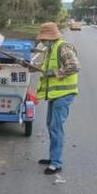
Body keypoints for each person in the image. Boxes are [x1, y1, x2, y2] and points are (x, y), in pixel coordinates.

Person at [34, 22, 80, 175]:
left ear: (49, 37)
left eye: (43, 38)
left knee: (56, 127)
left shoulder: (63, 47)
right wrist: (32, 67)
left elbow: (74, 66)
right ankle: (53, 157)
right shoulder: (51, 48)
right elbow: (45, 67)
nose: (42, 41)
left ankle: (56, 163)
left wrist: (54, 73)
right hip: (55, 95)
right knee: (51, 125)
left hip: (64, 95)